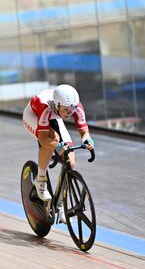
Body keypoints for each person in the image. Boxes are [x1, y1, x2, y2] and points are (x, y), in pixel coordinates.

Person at [22, 84, 95, 222]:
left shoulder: (75, 107)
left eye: (72, 109)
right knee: (52, 139)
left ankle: (60, 203)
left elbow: (84, 131)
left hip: (55, 116)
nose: (70, 113)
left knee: (71, 162)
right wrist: (56, 146)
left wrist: (87, 140)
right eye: (66, 110)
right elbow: (43, 139)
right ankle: (40, 181)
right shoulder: (46, 108)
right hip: (33, 115)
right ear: (57, 105)